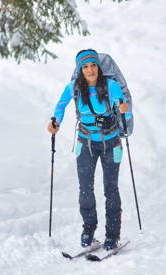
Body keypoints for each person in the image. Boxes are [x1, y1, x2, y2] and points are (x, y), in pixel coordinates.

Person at [47, 49, 132, 250]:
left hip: (111, 142)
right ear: (80, 69)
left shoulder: (111, 86)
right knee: (85, 188)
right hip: (85, 143)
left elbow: (123, 106)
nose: (90, 69)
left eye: (93, 65)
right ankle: (88, 229)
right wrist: (55, 122)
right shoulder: (74, 88)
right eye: (85, 66)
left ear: (98, 67)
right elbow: (60, 106)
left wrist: (123, 110)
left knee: (111, 189)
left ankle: (113, 235)